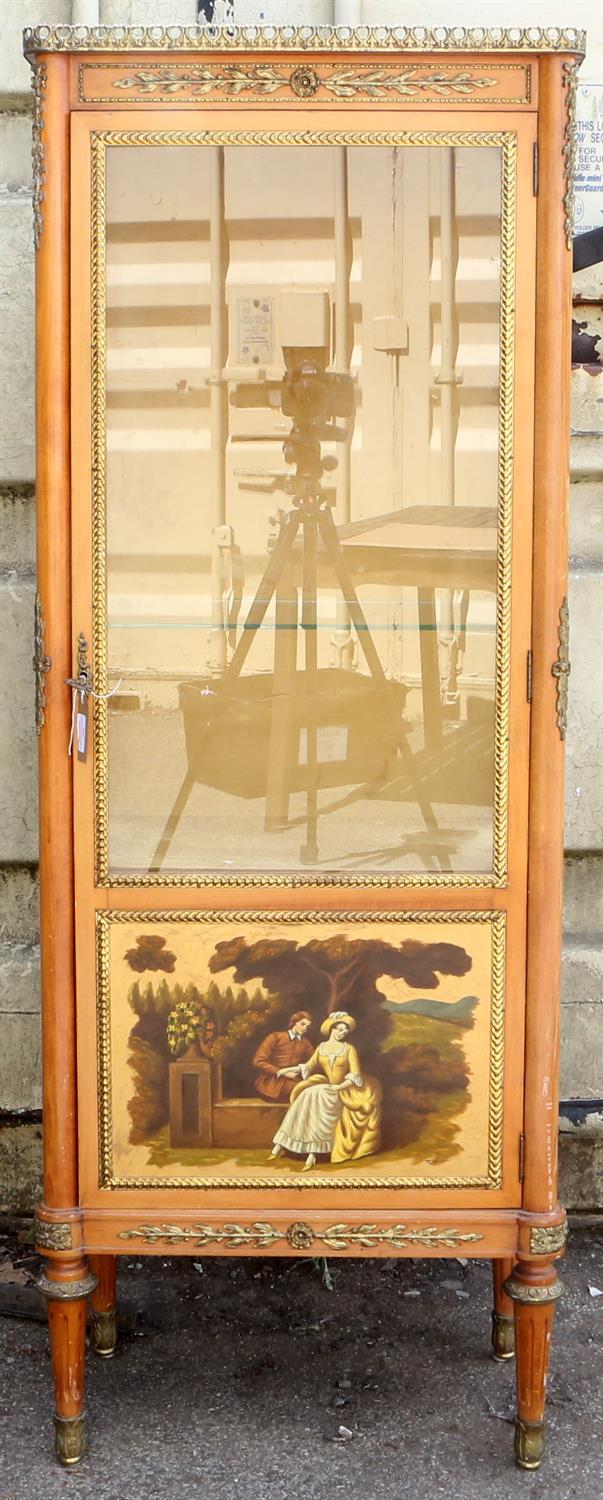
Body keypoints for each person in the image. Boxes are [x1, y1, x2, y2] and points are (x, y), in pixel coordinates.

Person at [270, 1011, 382, 1170]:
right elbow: (308, 1066)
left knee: (318, 1094)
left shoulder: (349, 1049)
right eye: (339, 1029)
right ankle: (282, 1143)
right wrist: (284, 1070)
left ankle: (313, 1152)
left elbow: (355, 1075)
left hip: (344, 1089)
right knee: (308, 1093)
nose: (342, 1033)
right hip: (327, 1087)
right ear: (331, 1028)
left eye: (345, 1031)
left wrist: (338, 1087)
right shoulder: (321, 1047)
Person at [252, 1012, 313, 1103]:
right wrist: (281, 1072)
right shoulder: (276, 1037)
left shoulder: (305, 1043)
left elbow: (315, 1060)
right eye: (302, 1024)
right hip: (270, 1082)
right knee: (304, 1093)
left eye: (307, 1027)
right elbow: (258, 1061)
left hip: (292, 1080)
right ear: (294, 1022)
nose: (304, 1028)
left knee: (310, 1092)